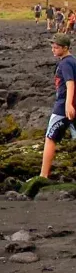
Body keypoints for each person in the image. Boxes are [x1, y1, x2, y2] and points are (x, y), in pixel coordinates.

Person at [40, 34, 76, 179]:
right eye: (52, 47)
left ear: (65, 48)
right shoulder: (73, 61)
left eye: (56, 47)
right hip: (72, 106)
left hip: (63, 107)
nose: (53, 50)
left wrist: (68, 104)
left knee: (50, 138)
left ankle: (43, 175)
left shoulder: (65, 63)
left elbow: (70, 83)